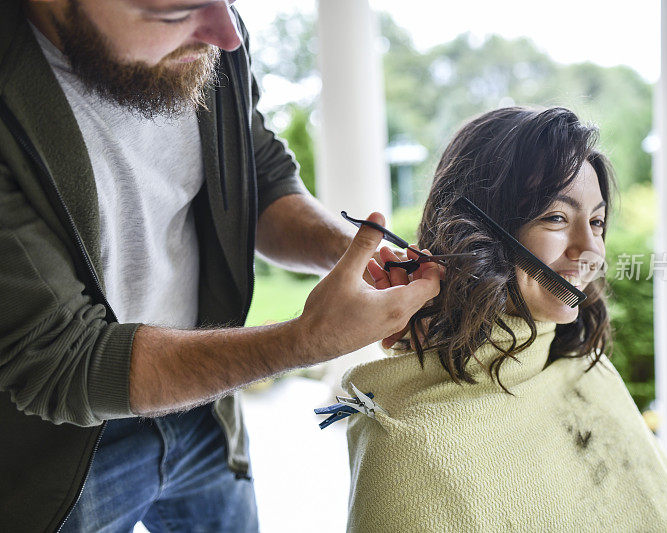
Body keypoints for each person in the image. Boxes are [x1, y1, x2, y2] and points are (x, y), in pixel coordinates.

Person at [0, 0, 441, 531]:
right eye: (175, 13)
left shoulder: (210, 31)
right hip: (66, 450)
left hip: (206, 406)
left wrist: (353, 252)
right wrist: (306, 341)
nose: (228, 35)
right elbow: (62, 357)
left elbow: (257, 178)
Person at [343, 106, 667, 532]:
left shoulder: (583, 367)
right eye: (556, 217)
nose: (591, 249)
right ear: (477, 230)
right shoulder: (407, 449)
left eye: (598, 222)